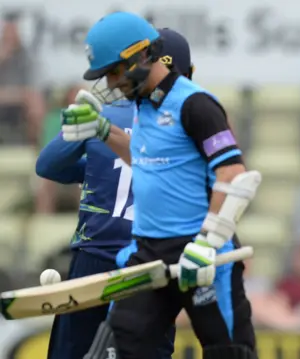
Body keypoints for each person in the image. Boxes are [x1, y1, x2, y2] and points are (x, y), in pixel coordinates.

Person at [59, 12, 257, 359]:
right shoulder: (142, 104)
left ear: (141, 56)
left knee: (230, 352)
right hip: (148, 253)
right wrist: (102, 130)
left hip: (202, 254)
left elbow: (233, 174)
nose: (111, 82)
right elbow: (145, 160)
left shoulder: (196, 104)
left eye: (114, 71)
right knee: (116, 351)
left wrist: (207, 243)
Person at [35, 27, 196, 359]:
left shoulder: (107, 114)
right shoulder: (189, 124)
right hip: (151, 262)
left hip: (93, 257)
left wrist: (83, 148)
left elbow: (48, 166)